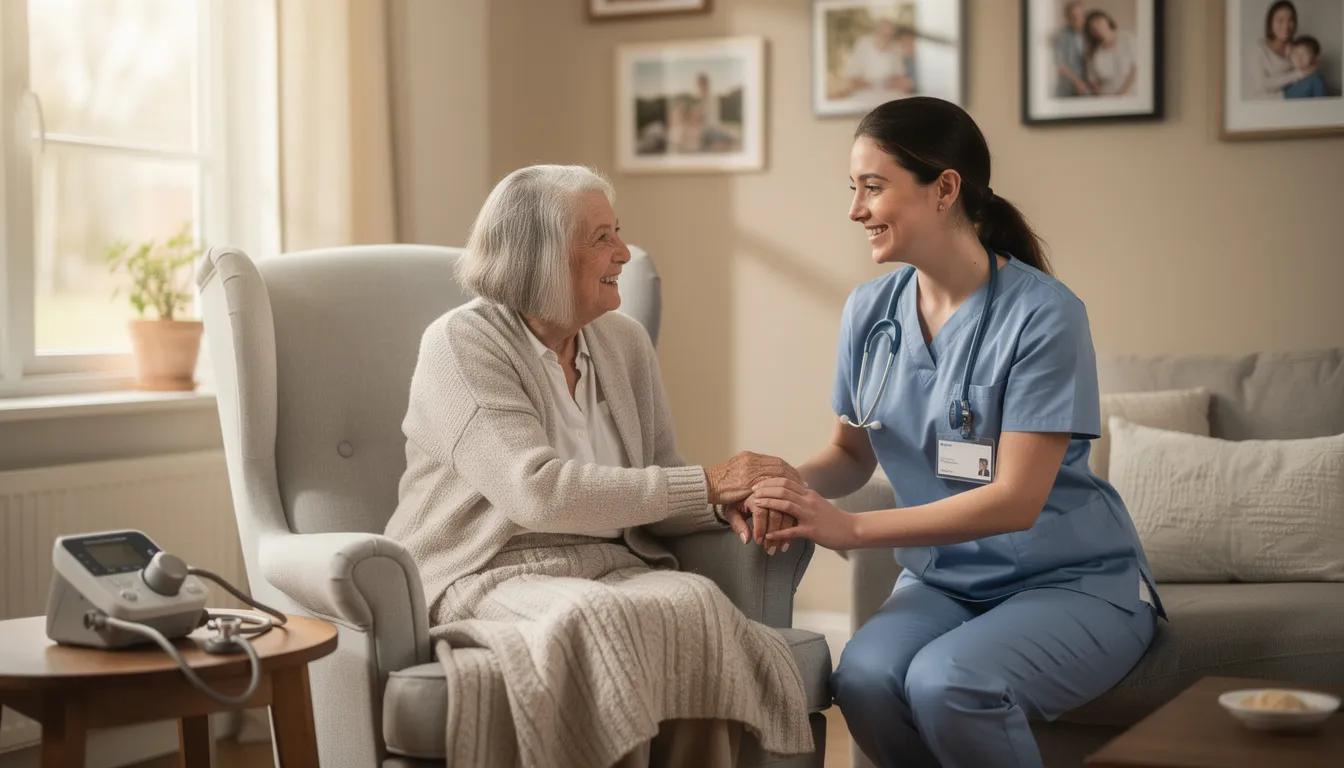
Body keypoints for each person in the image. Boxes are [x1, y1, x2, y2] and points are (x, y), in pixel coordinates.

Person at [742, 97, 1164, 768]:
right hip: (944, 583)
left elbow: (1015, 501)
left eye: (872, 187)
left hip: (1068, 581)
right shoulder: (869, 311)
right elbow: (849, 456)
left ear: (944, 189)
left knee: (952, 682)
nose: (855, 210)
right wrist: (777, 482)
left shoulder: (1045, 316)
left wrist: (850, 530)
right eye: (853, 189)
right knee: (865, 681)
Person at [384, 164, 813, 768]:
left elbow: (661, 477)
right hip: (488, 570)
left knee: (695, 603)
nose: (624, 252)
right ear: (540, 256)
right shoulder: (460, 343)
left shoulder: (625, 342)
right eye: (602, 238)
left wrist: (723, 501)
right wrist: (708, 482)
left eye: (619, 232)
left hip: (609, 565)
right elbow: (538, 494)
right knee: (599, 620)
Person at [834, 18, 915, 100]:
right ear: (876, 34)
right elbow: (852, 80)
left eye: (891, 36)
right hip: (865, 97)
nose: (888, 39)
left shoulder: (895, 48)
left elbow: (900, 78)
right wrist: (873, 83)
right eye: (885, 36)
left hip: (890, 96)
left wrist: (894, 82)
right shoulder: (863, 45)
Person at [1249, 1, 1310, 99]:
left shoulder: (1295, 48)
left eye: (1290, 20)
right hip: (1268, 103)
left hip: (1294, 99)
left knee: (1316, 79)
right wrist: (1299, 74)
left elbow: (1307, 72)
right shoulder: (1259, 49)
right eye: (1280, 20)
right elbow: (1263, 84)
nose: (1286, 26)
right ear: (1271, 23)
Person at [1084, 10, 1137, 96]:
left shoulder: (1127, 38)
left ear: (1107, 20)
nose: (1097, 27)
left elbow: (1136, 68)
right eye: (1092, 27)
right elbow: (1093, 80)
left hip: (1129, 94)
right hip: (1105, 97)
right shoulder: (1093, 51)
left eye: (1099, 21)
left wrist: (1123, 93)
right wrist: (1101, 96)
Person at [1054, 1, 1090, 97]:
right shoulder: (1062, 36)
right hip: (1069, 88)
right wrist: (1077, 81)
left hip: (1089, 88)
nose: (1078, 19)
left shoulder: (1089, 34)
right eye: (1073, 16)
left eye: (1080, 15)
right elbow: (1060, 65)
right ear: (1067, 18)